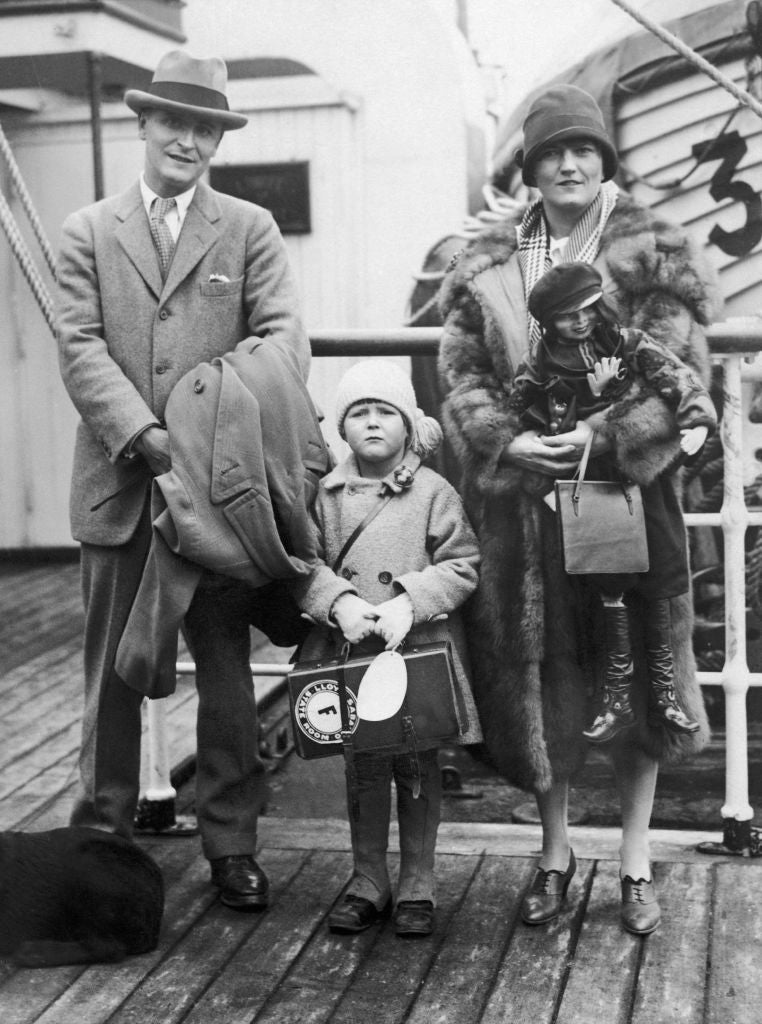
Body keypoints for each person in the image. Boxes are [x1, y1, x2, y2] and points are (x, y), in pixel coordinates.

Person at [437, 83, 717, 935]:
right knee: (544, 677)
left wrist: (600, 439)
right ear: (528, 165)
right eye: (552, 151)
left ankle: (635, 860)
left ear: (605, 160)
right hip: (525, 506)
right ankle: (554, 853)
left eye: (583, 149)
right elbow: (460, 377)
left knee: (639, 681)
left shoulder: (656, 251)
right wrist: (503, 441)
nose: (568, 163)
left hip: (625, 500)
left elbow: (677, 371)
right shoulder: (483, 260)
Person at [56, 50, 311, 911]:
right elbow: (81, 349)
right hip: (123, 489)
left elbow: (282, 344)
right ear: (145, 123)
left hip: (220, 494)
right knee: (112, 677)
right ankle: (101, 842)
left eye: (206, 127)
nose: (189, 141)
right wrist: (145, 434)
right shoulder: (87, 231)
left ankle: (231, 845)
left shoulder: (249, 229)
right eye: (175, 122)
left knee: (227, 673)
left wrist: (201, 439)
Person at [294, 360, 481, 937]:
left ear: (408, 424)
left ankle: (418, 883)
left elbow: (463, 562)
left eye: (385, 413)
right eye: (359, 414)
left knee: (417, 764)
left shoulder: (432, 491)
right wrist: (340, 602)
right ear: (342, 429)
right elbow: (303, 563)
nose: (372, 424)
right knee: (364, 766)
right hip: (350, 651)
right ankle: (368, 879)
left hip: (415, 651)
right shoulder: (324, 496)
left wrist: (410, 600)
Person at [515, 261, 717, 743]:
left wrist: (697, 419)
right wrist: (595, 397)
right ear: (548, 321)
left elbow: (677, 381)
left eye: (586, 309)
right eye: (567, 316)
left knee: (660, 583)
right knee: (610, 590)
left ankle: (665, 696)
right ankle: (617, 698)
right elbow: (544, 426)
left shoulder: (628, 343)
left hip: (644, 487)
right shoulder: (539, 366)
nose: (580, 321)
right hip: (592, 491)